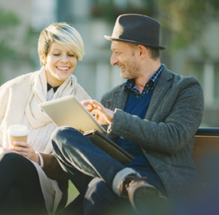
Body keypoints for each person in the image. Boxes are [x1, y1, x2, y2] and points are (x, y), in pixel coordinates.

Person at [51, 14, 204, 215]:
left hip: (159, 184)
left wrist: (115, 118)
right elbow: (103, 155)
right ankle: (127, 181)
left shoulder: (185, 89)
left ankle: (130, 184)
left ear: (140, 52)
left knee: (98, 190)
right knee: (62, 135)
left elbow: (173, 137)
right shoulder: (111, 97)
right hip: (112, 178)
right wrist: (89, 136)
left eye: (117, 52)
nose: (113, 60)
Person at [0, 22, 91, 215]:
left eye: (71, 54)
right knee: (12, 195)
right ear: (43, 57)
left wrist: (36, 158)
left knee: (14, 165)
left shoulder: (81, 102)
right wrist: (1, 155)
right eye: (57, 53)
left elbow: (75, 166)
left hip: (43, 190)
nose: (65, 61)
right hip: (0, 180)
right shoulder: (15, 88)